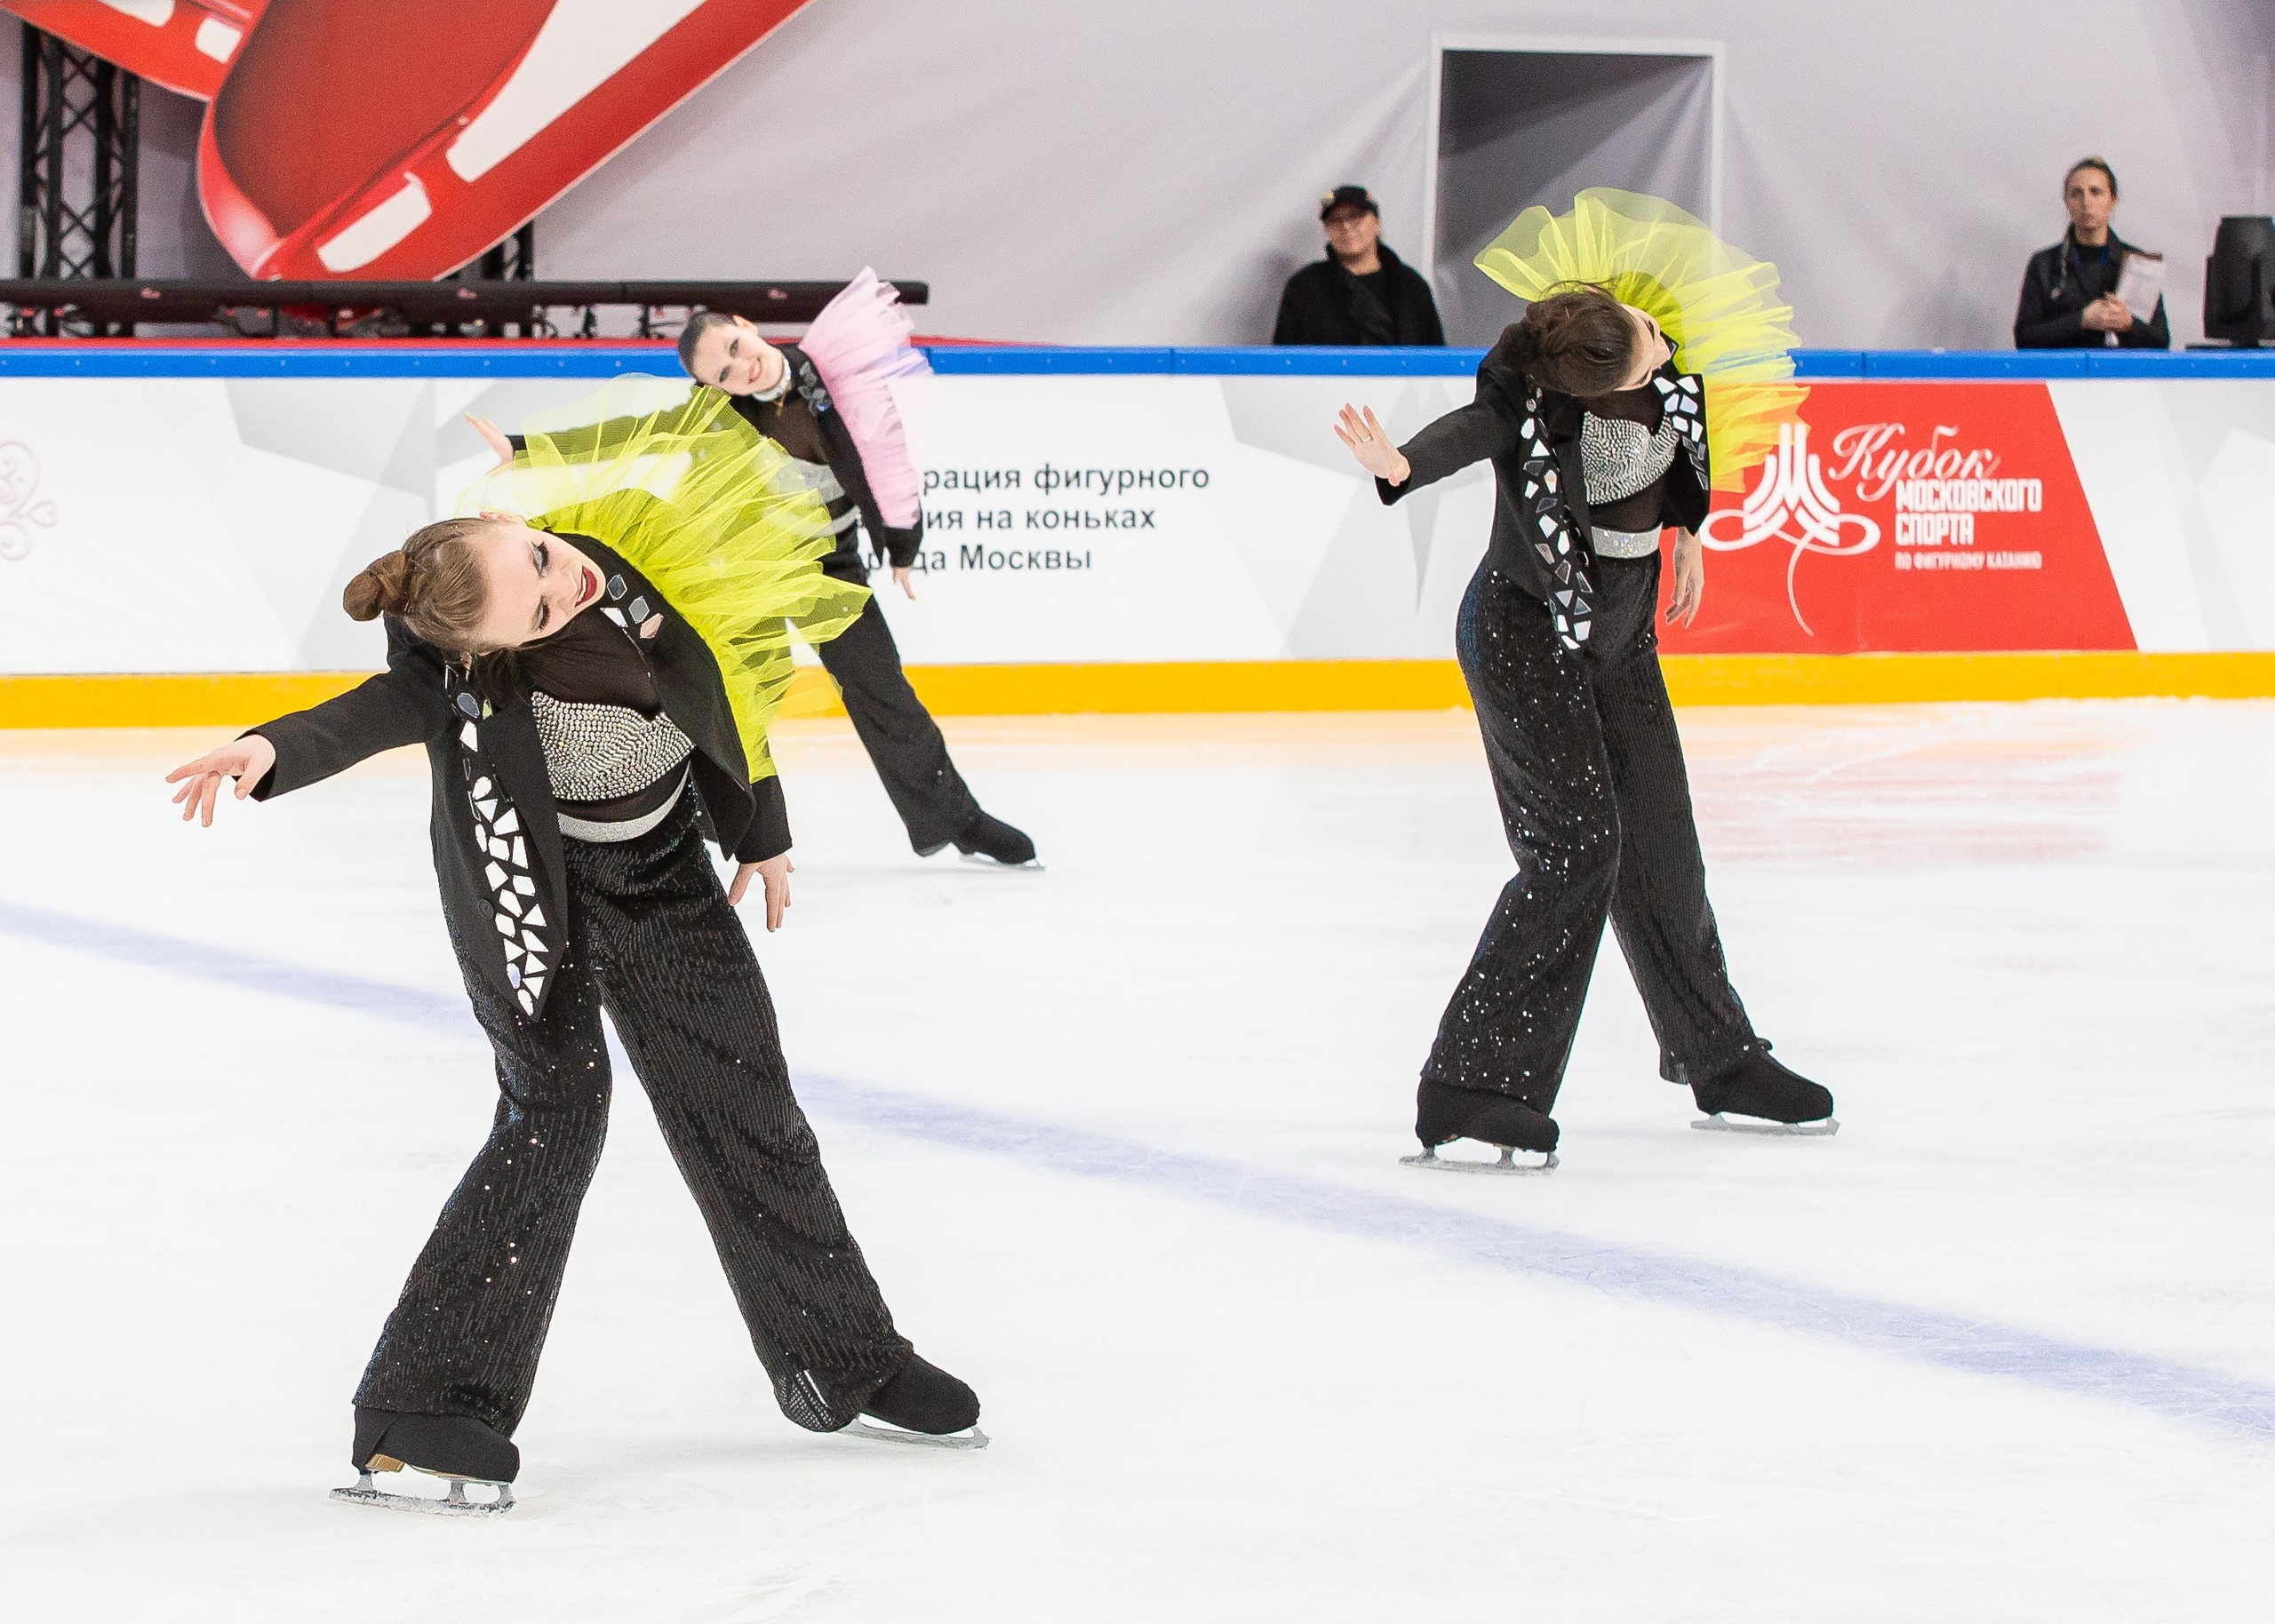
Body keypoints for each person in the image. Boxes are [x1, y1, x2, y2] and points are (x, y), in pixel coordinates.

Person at [164, 387, 986, 1514]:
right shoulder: (456, 665)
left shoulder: (633, 558)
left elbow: (729, 690)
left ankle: (842, 1355)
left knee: (749, 1104)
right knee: (555, 1117)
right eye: (540, 608)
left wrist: (764, 832)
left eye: (544, 559)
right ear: (494, 648)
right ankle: (420, 1408)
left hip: (664, 880)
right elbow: (365, 710)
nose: (567, 584)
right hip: (537, 910)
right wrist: (269, 748)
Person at [1331, 188, 1837, 1172]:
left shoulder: (1640, 331)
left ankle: (1718, 1054)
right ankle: (1472, 1080)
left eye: (1653, 341)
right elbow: (1471, 432)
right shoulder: (1532, 395)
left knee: (1659, 834)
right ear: (1580, 391)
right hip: (1525, 635)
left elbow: (1681, 446)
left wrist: (1680, 532)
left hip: (1621, 635)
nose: (1660, 353)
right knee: (1576, 847)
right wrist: (1400, 464)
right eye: (1643, 360)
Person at [677, 272, 1036, 867]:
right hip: (750, 567)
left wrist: (901, 542)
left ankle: (958, 819)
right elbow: (636, 446)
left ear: (746, 328)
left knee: (883, 692)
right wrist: (526, 445)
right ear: (713, 389)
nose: (742, 369)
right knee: (727, 694)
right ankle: (694, 823)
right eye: (723, 374)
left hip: (827, 564)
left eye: (737, 349)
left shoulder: (836, 373)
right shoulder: (716, 418)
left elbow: (887, 455)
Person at [2015, 157, 2170, 349]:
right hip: (2064, 376)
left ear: (2113, 200)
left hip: (2121, 376)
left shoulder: (2139, 263)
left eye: (2095, 192)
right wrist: (2081, 320)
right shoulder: (2044, 264)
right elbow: (2024, 338)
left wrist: (2129, 324)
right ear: (2066, 202)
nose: (2086, 203)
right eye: (2076, 194)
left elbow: (2161, 340)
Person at [1273, 185, 1446, 346]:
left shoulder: (1411, 287)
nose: (1346, 226)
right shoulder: (1305, 288)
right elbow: (1284, 363)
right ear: (1327, 229)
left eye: (1355, 216)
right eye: (1335, 220)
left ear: (1377, 223)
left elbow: (1436, 359)